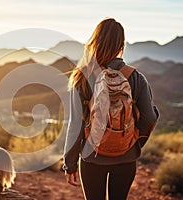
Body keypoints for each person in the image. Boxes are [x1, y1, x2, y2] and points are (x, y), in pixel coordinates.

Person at [63, 18, 159, 200]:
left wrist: (70, 164)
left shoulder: (83, 77)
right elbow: (149, 119)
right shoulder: (136, 78)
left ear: (95, 41)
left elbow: (75, 125)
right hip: (126, 158)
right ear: (122, 44)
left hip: (92, 158)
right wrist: (133, 143)